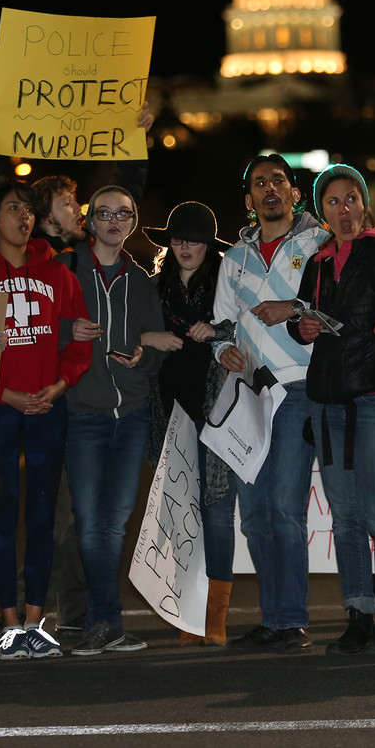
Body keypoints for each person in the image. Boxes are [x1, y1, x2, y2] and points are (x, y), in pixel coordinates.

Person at [0, 181, 92, 660]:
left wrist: (60, 385)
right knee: (2, 514)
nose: (24, 216)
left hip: (46, 407)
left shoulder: (57, 274)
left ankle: (36, 622)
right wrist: (6, 395)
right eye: (12, 208)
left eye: (28, 209)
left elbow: (79, 340)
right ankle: (11, 626)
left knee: (42, 516)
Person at [287, 165, 375, 654]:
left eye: (351, 198)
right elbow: (301, 316)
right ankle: (358, 614)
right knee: (346, 516)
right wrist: (302, 328)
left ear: (364, 203)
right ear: (322, 211)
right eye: (333, 202)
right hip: (328, 401)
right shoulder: (317, 262)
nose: (344, 209)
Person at [214, 154, 329, 653]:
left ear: (295, 193)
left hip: (298, 389)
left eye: (278, 181)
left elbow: (338, 307)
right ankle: (274, 618)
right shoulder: (233, 259)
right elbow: (221, 325)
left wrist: (296, 308)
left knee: (285, 508)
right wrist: (223, 350)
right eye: (259, 183)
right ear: (249, 199)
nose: (270, 189)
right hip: (250, 396)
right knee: (256, 514)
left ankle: (292, 620)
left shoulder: (319, 244)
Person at [57, 184, 164, 655]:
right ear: (89, 221)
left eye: (123, 214)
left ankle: (103, 623)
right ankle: (107, 621)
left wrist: (143, 355)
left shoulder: (140, 280)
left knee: (113, 523)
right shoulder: (66, 270)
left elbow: (156, 343)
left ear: (133, 222)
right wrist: (67, 330)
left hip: (131, 414)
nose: (114, 221)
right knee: (88, 520)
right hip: (82, 413)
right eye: (104, 213)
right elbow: (34, 328)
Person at [142, 201, 236, 646]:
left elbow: (248, 332)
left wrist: (216, 332)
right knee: (181, 514)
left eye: (194, 240)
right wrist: (150, 337)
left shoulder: (226, 286)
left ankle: (214, 618)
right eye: (178, 239)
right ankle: (188, 615)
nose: (184, 247)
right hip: (169, 414)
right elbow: (127, 332)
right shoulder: (153, 288)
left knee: (216, 513)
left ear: (208, 247)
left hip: (215, 416)